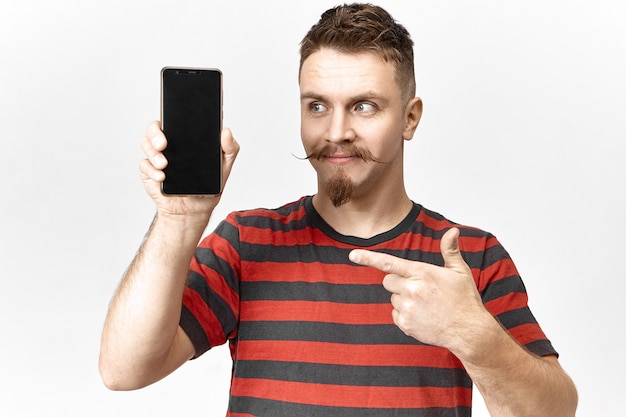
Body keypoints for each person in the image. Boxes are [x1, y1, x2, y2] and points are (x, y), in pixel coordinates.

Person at [99, 3, 578, 416]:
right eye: (317, 106)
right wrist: (178, 220)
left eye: (364, 107)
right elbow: (123, 370)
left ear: (410, 118)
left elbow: (555, 411)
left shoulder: (469, 257)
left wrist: (477, 338)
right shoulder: (247, 242)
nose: (336, 131)